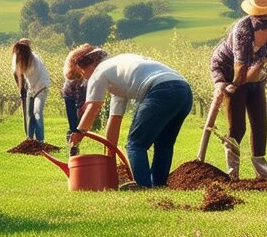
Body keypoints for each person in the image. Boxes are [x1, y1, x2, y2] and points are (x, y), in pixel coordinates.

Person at [65, 45, 192, 188]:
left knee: (135, 144)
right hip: (184, 92)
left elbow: (93, 107)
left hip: (161, 90)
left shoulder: (99, 72)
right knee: (164, 144)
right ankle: (158, 186)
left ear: (87, 66)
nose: (84, 79)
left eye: (81, 74)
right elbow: (115, 120)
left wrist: (79, 133)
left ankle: (143, 186)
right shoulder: (117, 74)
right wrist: (109, 158)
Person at [208, 0, 267, 179]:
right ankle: (233, 174)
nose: (265, 19)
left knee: (260, 122)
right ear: (254, 14)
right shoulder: (242, 30)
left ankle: (261, 170)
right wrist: (230, 88)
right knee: (237, 127)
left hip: (252, 73)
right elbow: (239, 71)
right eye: (260, 17)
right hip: (228, 70)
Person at [12, 39, 50, 142]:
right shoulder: (20, 60)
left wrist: (30, 91)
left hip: (41, 87)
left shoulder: (34, 60)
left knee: (37, 112)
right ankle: (29, 139)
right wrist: (21, 90)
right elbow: (19, 76)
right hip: (31, 88)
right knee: (29, 114)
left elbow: (35, 79)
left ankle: (40, 141)